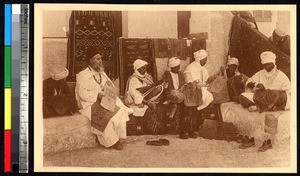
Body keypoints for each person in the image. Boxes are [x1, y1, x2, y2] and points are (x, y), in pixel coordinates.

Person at [75, 48, 133, 150]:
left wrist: (109, 88)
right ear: (91, 60)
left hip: (104, 101)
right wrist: (97, 95)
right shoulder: (83, 75)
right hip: (89, 104)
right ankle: (112, 142)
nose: (100, 61)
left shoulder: (101, 72)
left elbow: (109, 85)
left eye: (100, 59)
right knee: (106, 117)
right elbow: (82, 94)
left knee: (120, 112)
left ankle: (118, 137)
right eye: (98, 59)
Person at [124, 59, 164, 134]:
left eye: (145, 68)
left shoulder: (147, 77)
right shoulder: (133, 79)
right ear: (138, 69)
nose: (145, 70)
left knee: (160, 88)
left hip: (146, 98)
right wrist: (146, 102)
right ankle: (149, 129)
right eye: (143, 68)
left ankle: (155, 128)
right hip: (135, 101)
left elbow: (151, 89)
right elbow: (135, 94)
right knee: (146, 107)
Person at [161, 57, 185, 134]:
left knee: (182, 97)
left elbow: (183, 85)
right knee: (176, 97)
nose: (178, 68)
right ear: (172, 68)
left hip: (180, 91)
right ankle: (171, 117)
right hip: (171, 92)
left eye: (179, 66)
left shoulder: (181, 74)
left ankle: (171, 116)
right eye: (176, 67)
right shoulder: (167, 74)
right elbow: (165, 87)